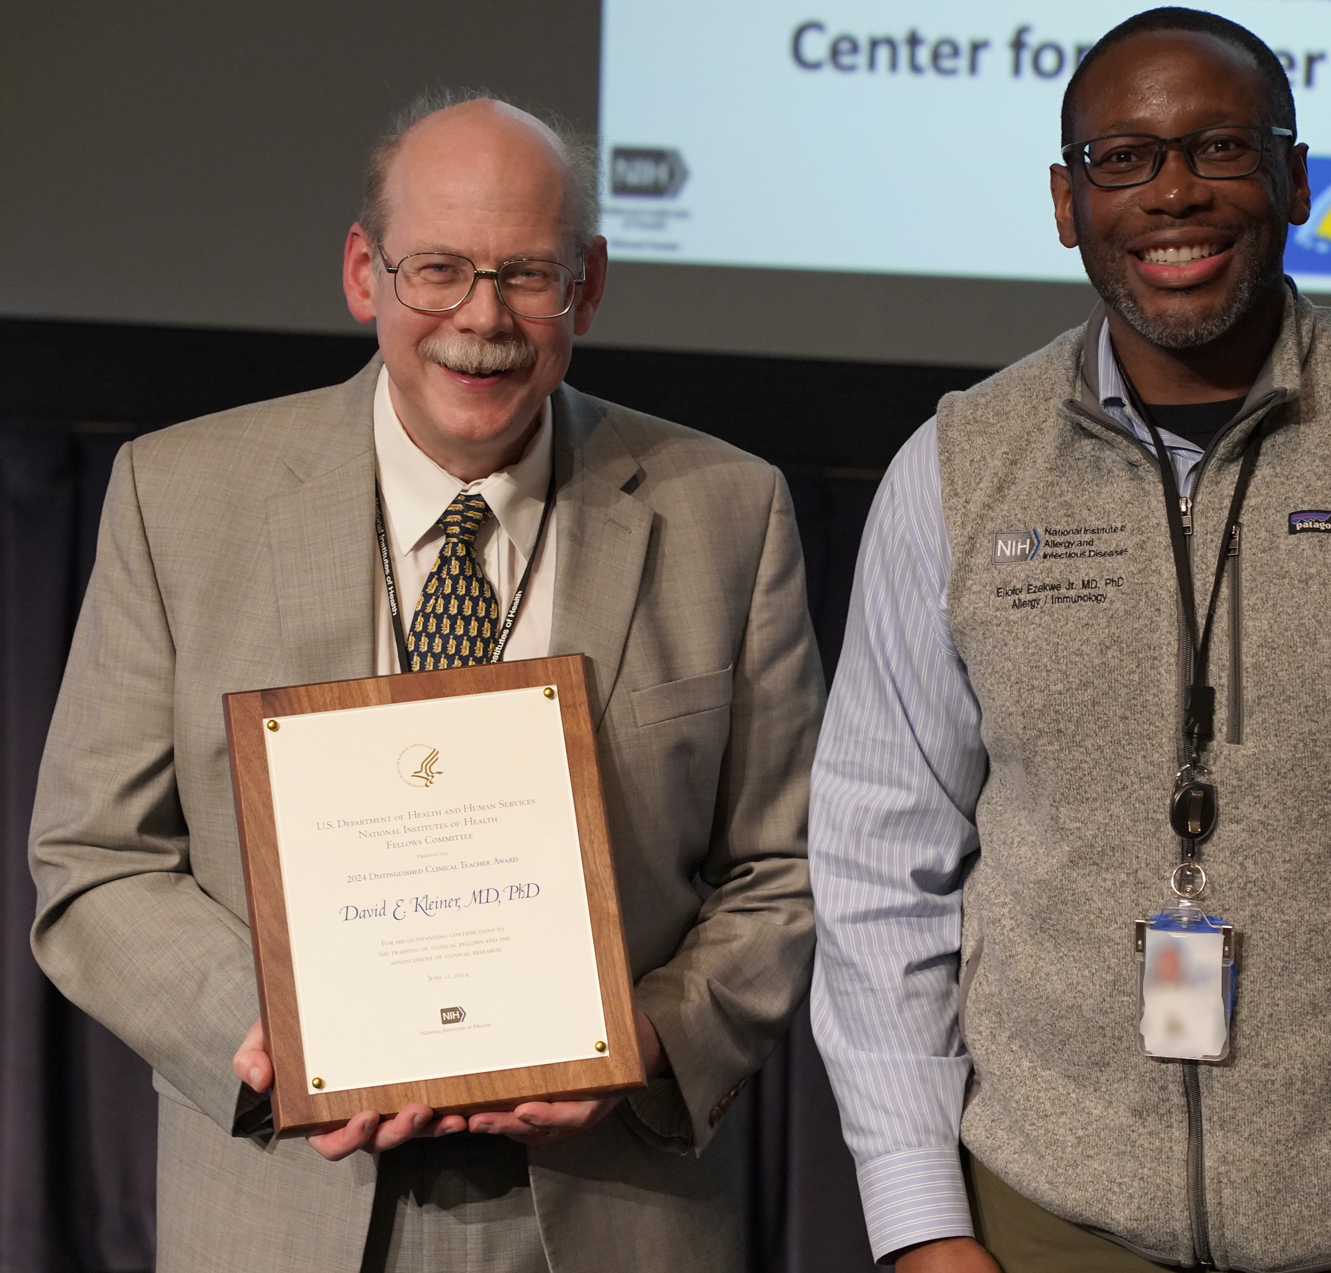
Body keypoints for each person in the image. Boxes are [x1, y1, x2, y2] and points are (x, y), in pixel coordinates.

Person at [808, 10, 1331, 1273]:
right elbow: (877, 862)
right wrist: (920, 1219)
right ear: (1065, 202)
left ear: (1296, 180)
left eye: (1220, 148)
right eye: (1122, 160)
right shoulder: (958, 471)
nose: (1174, 191)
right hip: (1037, 1225)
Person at [30, 93, 825, 1272]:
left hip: (609, 1208)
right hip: (282, 1200)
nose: (482, 320)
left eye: (527, 275)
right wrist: (271, 1039)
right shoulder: (178, 499)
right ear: (363, 273)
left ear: (589, 286)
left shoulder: (726, 513)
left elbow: (792, 868)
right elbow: (92, 859)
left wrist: (643, 1039)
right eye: (437, 270)